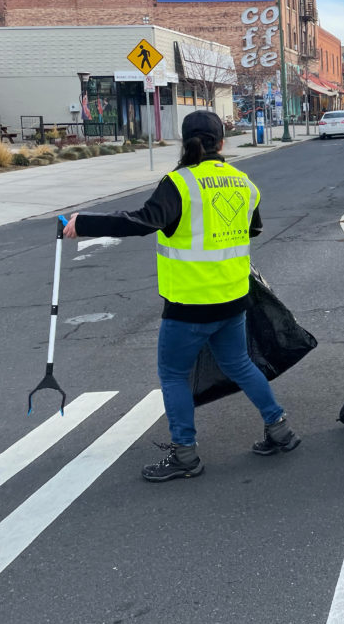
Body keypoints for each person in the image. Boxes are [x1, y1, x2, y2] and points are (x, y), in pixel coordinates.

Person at [62, 111, 300, 482]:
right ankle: (279, 427)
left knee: (173, 374)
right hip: (233, 297)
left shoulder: (179, 183)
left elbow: (142, 221)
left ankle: (185, 454)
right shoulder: (243, 183)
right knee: (239, 363)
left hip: (189, 305)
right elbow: (252, 228)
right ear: (222, 142)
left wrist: (85, 222)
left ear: (185, 140)